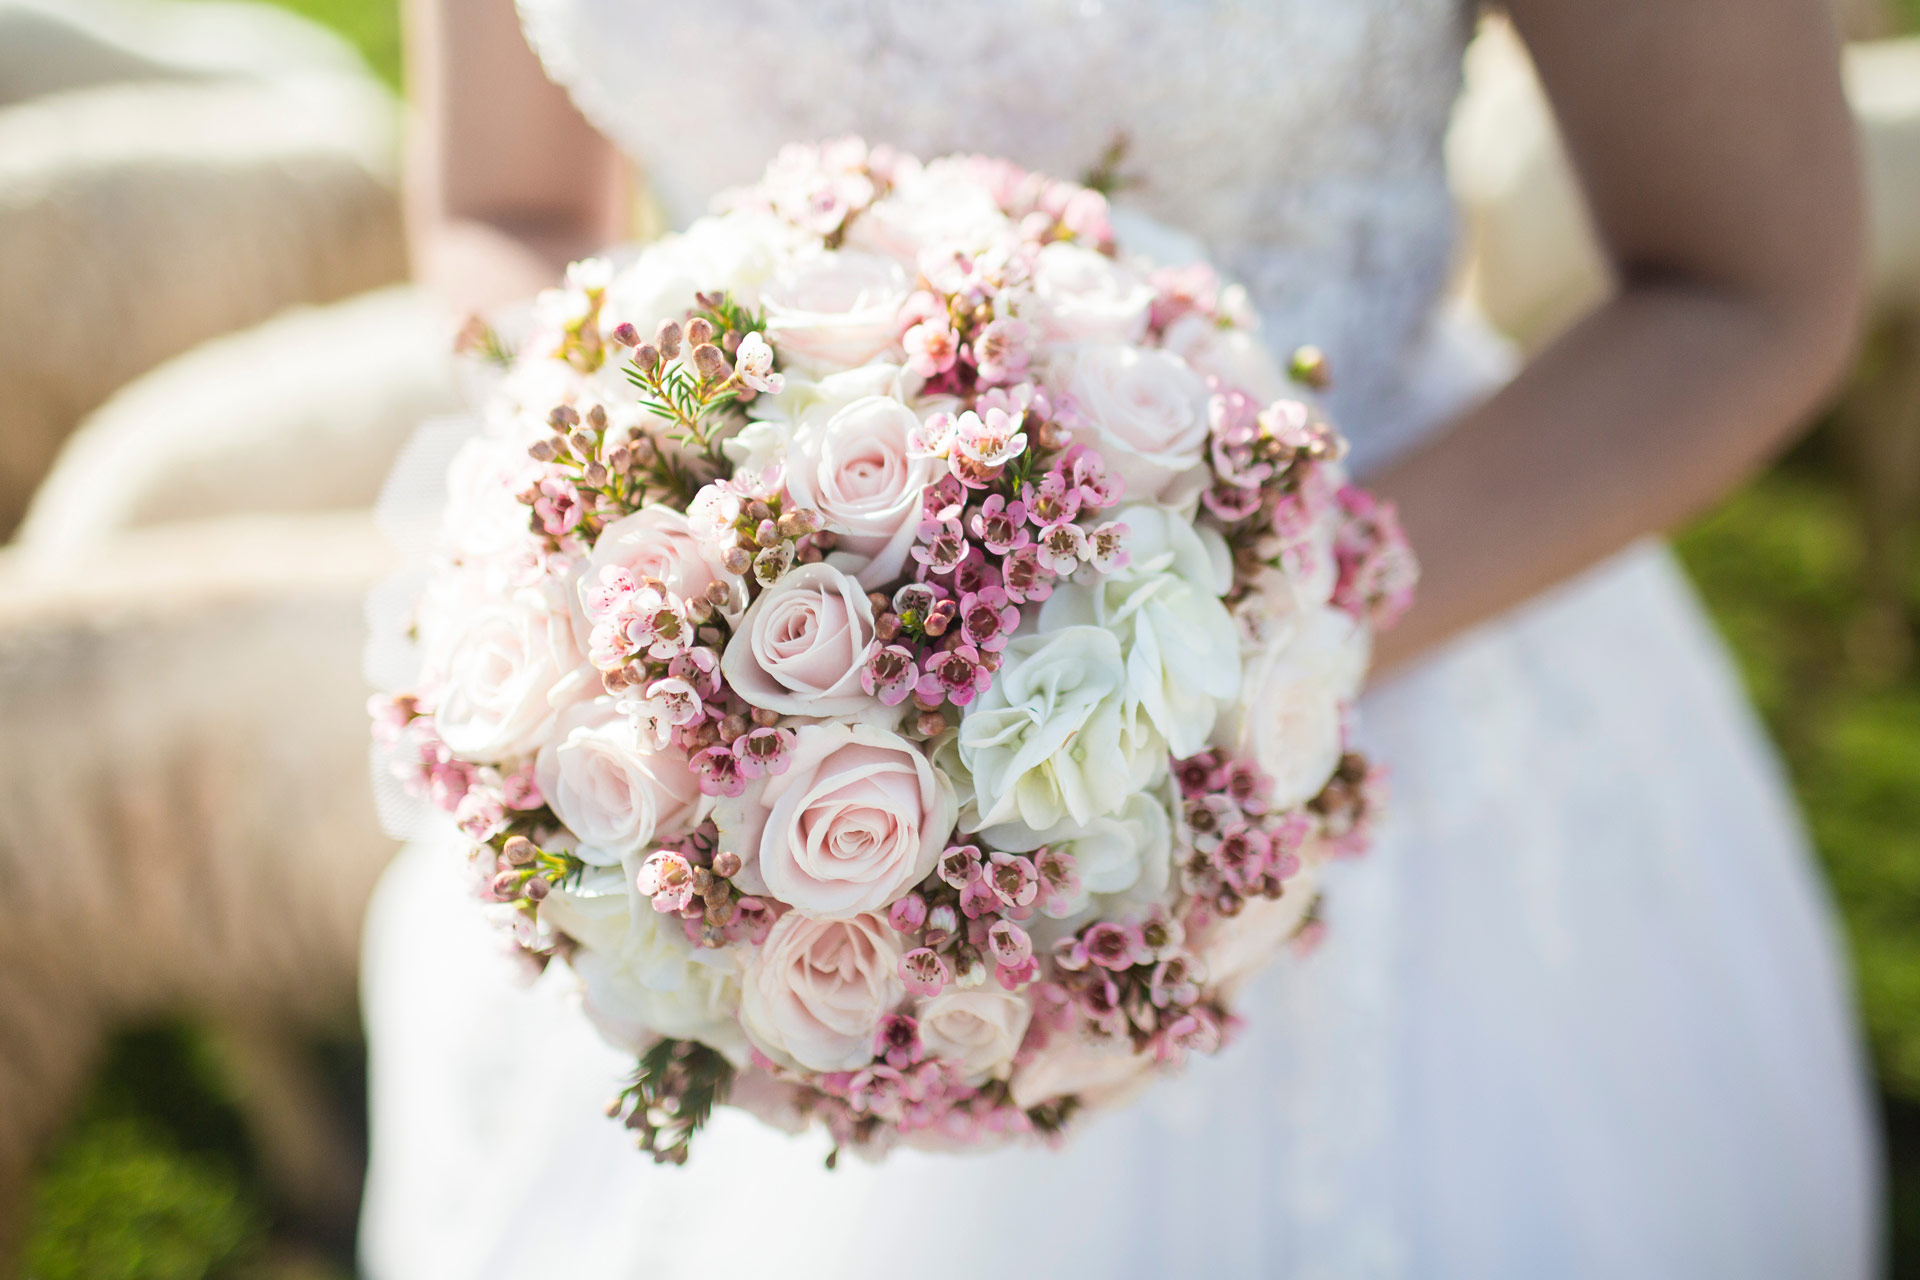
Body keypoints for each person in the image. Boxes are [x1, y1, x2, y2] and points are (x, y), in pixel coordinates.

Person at [360, 0, 1880, 1275]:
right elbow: (512, 211)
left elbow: (1747, 284)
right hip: (701, 743)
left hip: (1400, 637)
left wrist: (1263, 627)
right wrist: (648, 518)